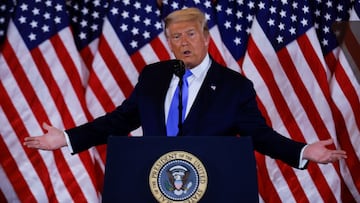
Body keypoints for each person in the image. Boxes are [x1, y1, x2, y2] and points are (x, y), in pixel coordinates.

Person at [24, 7, 346, 168]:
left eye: (191, 34)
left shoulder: (235, 86)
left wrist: (303, 151)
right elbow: (118, 121)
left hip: (210, 190)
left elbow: (260, 136)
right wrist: (66, 138)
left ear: (206, 37)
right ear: (169, 43)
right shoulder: (153, 77)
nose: (184, 43)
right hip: (154, 189)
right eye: (176, 37)